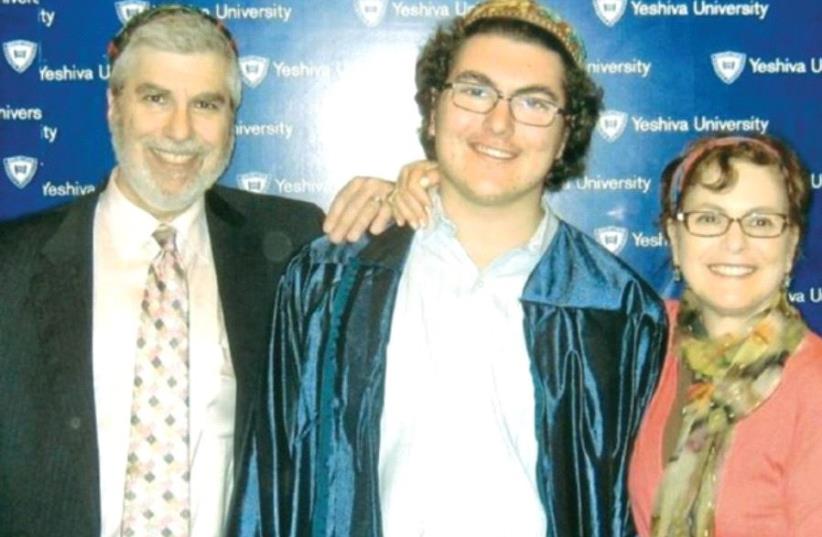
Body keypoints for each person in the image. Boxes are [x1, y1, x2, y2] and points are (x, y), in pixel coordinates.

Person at [241, 1, 668, 535]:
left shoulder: (617, 310)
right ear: (432, 110)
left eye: (534, 102)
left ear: (564, 138)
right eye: (475, 90)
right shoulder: (331, 280)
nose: (499, 122)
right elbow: (275, 482)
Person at [0, 5, 394, 536]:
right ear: (113, 105)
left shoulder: (294, 246)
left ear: (233, 118)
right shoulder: (11, 266)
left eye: (206, 104)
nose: (180, 130)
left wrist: (420, 197)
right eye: (155, 98)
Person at [628, 134, 822, 536]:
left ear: (791, 246)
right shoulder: (647, 344)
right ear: (675, 238)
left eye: (761, 222)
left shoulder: (814, 386)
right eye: (710, 219)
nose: (735, 242)